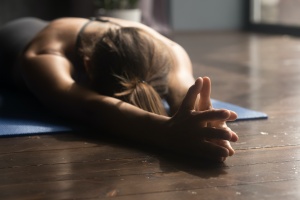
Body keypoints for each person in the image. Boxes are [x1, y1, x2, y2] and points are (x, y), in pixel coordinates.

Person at [0, 17, 238, 162]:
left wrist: (205, 126)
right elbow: (91, 108)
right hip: (16, 32)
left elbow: (185, 98)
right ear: (87, 66)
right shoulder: (42, 56)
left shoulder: (171, 50)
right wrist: (166, 133)